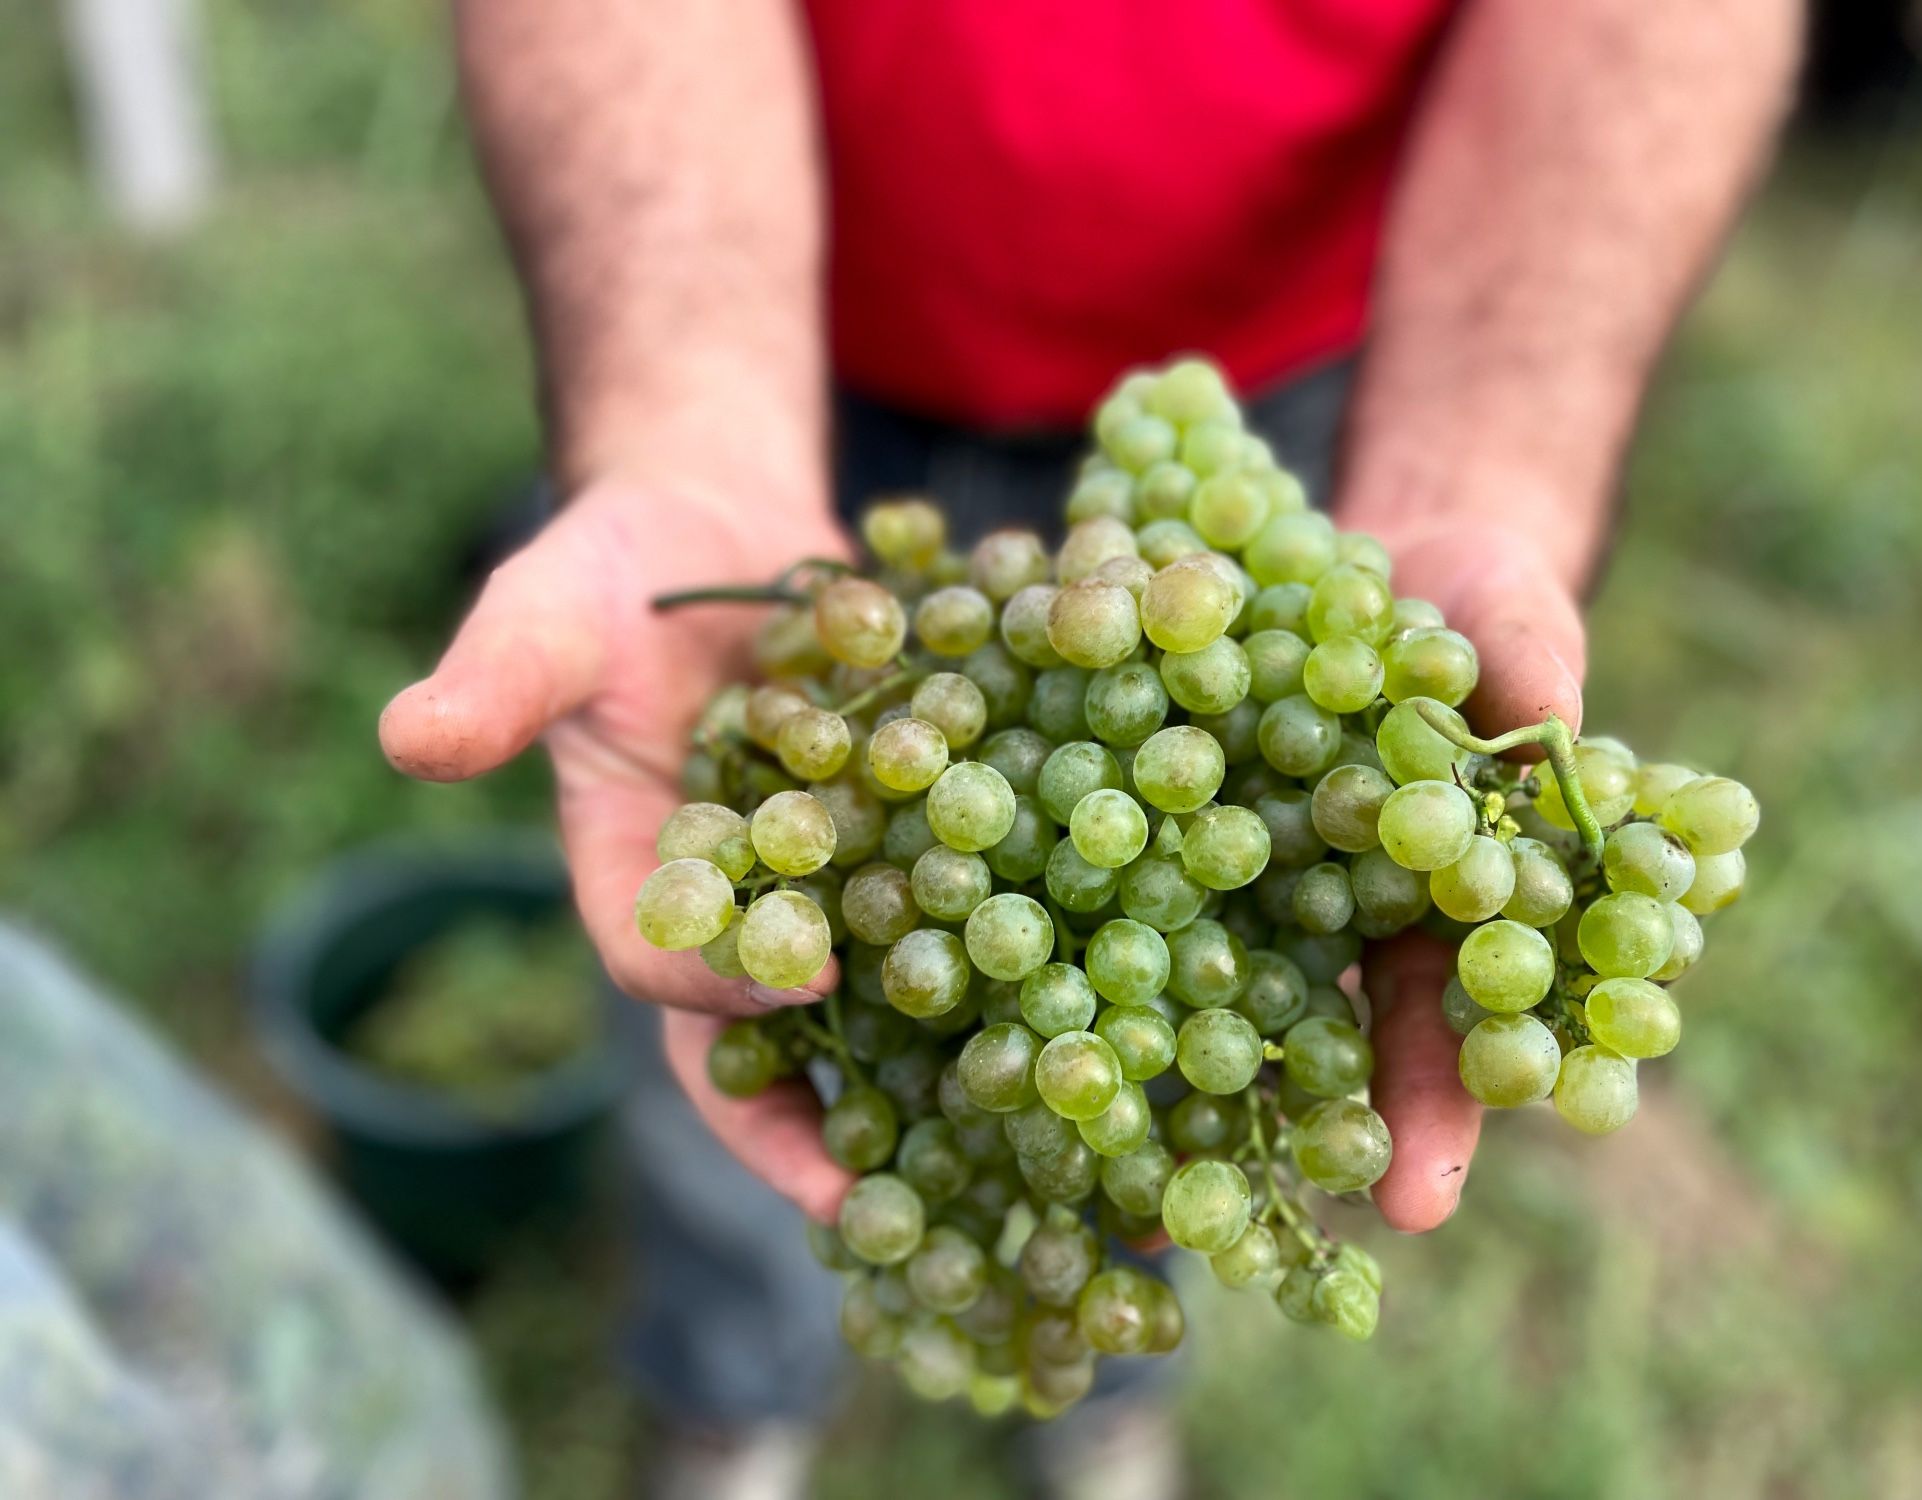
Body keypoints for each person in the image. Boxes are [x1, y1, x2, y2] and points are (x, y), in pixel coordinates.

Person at [380, 0, 1801, 1490]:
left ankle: (1105, 1387)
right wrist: (680, 424)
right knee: (725, 992)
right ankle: (735, 1393)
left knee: (1201, 1048)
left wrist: (1484, 462)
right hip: (770, 313)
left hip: (1290, 398)